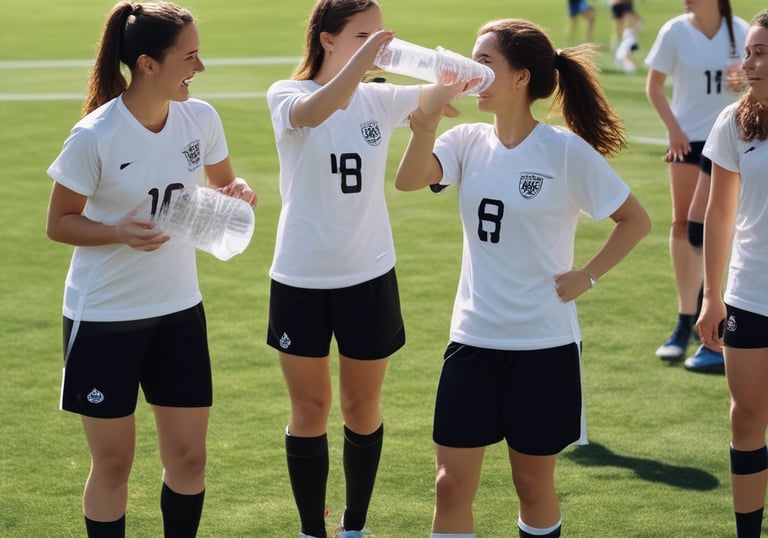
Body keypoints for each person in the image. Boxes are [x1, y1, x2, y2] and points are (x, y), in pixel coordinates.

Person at [395, 18, 651, 538]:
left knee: (532, 486)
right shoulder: (465, 139)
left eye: (484, 61)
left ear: (520, 78)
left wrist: (589, 275)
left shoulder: (564, 151)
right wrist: (424, 124)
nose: (471, 69)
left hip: (544, 345)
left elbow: (635, 220)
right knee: (448, 485)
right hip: (473, 339)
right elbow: (408, 181)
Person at [45, 2, 256, 537]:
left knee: (189, 459)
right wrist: (117, 231)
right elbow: (60, 223)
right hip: (105, 317)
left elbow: (221, 185)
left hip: (179, 312)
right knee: (114, 465)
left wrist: (235, 196)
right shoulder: (94, 136)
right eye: (190, 57)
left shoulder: (200, 118)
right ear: (148, 64)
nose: (200, 68)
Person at [264, 1, 465, 536]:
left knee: (360, 406)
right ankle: (312, 528)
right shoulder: (287, 95)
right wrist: (369, 62)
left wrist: (452, 83)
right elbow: (316, 112)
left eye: (380, 35)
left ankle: (354, 525)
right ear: (327, 39)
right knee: (309, 408)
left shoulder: (379, 98)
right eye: (363, 34)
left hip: (369, 278)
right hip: (300, 280)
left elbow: (446, 94)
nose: (379, 44)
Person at [645, 0, 748, 373]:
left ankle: (713, 310)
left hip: (728, 140)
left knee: (713, 223)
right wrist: (673, 130)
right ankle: (685, 319)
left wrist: (742, 81)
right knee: (683, 225)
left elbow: (754, 83)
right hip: (686, 140)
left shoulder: (740, 30)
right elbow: (654, 86)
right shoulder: (675, 31)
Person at [697, 10, 768, 537]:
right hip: (750, 293)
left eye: (761, 52)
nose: (749, 62)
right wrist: (712, 297)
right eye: (747, 51)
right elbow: (718, 214)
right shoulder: (734, 120)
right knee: (746, 418)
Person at [611, 0, 641, 73]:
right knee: (629, 32)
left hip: (620, 5)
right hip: (623, 5)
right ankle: (623, 57)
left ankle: (620, 57)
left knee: (622, 33)